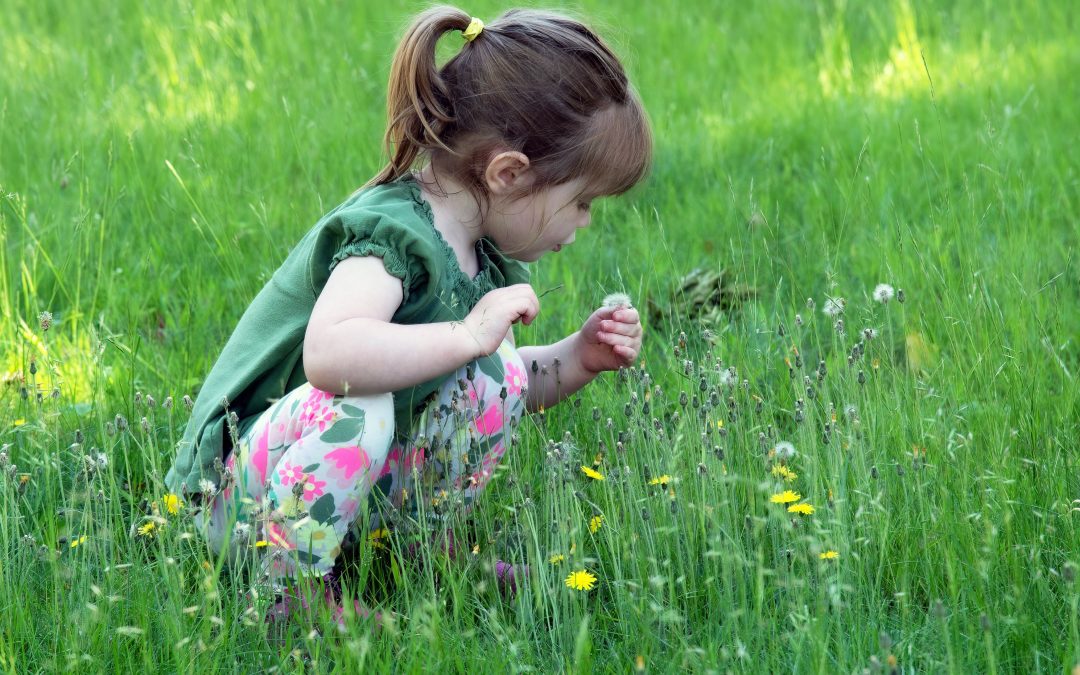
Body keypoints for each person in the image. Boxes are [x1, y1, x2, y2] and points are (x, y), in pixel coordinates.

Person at [163, 5, 652, 629]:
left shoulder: (484, 259)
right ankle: (290, 595)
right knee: (361, 400)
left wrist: (580, 356)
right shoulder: (391, 234)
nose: (584, 223)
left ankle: (413, 556)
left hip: (322, 494)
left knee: (496, 376)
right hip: (239, 503)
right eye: (580, 201)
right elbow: (331, 358)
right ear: (508, 173)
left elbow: (504, 378)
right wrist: (467, 334)